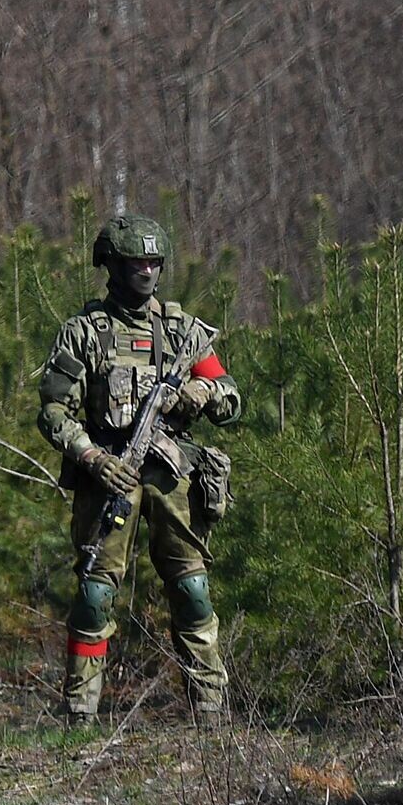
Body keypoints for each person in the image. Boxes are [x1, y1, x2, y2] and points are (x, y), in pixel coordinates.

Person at [37, 214, 241, 723]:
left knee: (192, 590)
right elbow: (53, 412)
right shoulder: (85, 333)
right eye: (136, 262)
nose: (146, 271)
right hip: (110, 474)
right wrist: (92, 457)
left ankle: (212, 715)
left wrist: (205, 390)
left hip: (172, 474)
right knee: (95, 594)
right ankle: (80, 716)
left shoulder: (182, 331)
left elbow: (232, 398)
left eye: (154, 262)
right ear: (112, 265)